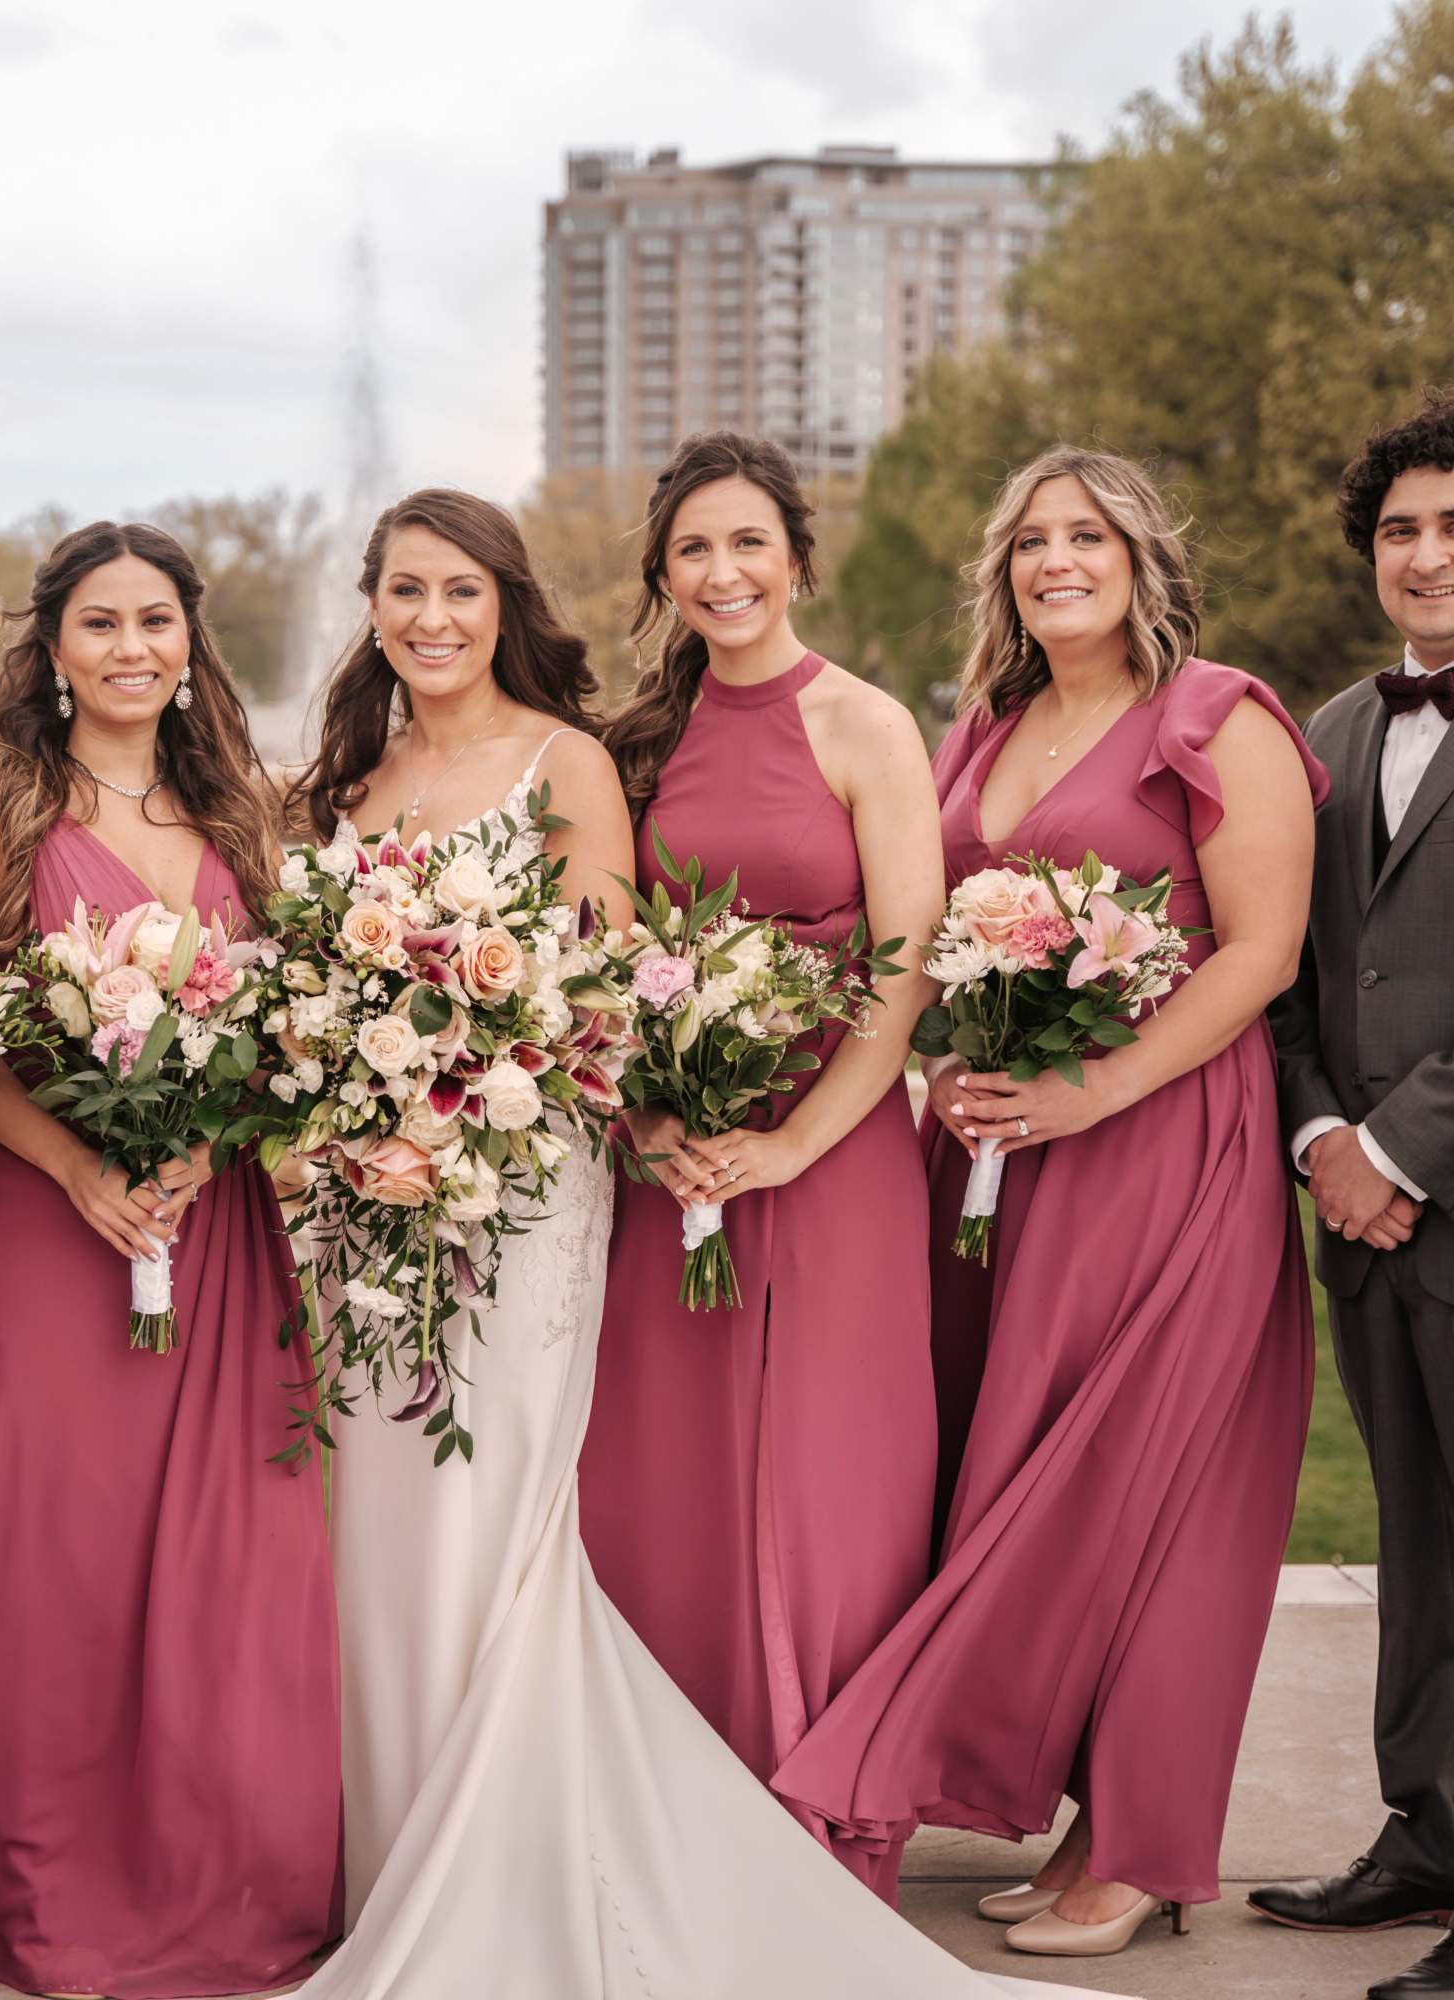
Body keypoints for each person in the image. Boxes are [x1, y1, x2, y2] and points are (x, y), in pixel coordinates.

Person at [283, 485, 1107, 1999]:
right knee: (443, 1518)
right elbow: (353, 995)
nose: (432, 617)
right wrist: (359, 1123)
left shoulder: (606, 758)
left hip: (546, 1177)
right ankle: (401, 1848)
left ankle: (619, 1837)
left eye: (461, 589)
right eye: (404, 588)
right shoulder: (371, 777)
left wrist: (491, 1114)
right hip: (398, 1200)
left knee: (589, 1496)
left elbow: (623, 978)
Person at [775, 446, 1326, 1960]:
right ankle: (1083, 1812)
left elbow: (1257, 952)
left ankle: (1143, 1846)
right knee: (1033, 1476)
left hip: (1164, 1149)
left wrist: (1095, 1092)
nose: (1056, 562)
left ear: (1144, 557)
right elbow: (936, 934)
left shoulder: (1222, 717)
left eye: (1087, 536)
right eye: (1030, 541)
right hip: (1005, 1163)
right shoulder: (982, 728)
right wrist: (951, 1067)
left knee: (1156, 1487)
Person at [0, 522, 340, 1999]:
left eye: (157, 623)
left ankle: (216, 1890)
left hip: (218, 1234)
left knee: (226, 1562)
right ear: (51, 649)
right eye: (100, 625)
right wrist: (75, 1163)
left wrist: (226, 1131)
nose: (133, 649)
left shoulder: (252, 810)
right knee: (40, 1554)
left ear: (193, 640)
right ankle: (12, 1887)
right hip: (34, 1235)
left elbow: (298, 1023)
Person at [581, 431, 942, 1902]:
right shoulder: (635, 746)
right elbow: (593, 956)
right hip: (671, 1157)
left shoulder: (865, 724)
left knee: (828, 1473)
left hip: (836, 1146)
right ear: (663, 578)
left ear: (796, 555)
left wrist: (793, 1139)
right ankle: (676, 1785)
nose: (721, 574)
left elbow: (905, 967)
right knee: (662, 1471)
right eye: (691, 552)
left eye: (747, 544)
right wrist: (651, 1126)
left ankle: (825, 1789)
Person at [1255, 394, 1454, 2000]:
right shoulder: (1321, 735)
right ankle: (1427, 1836)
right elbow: (1292, 967)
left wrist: (1393, 1151)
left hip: (1433, 1187)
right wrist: (1321, 1132)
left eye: (1453, 528)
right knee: (1418, 1538)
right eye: (1402, 529)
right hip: (1361, 1222)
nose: (1427, 555)